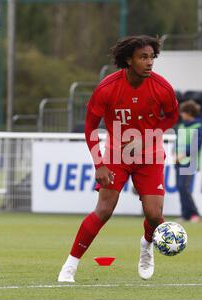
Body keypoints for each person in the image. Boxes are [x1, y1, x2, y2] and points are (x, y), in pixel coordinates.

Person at [57, 35, 179, 282]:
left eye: (152, 57)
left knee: (155, 216)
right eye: (143, 57)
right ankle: (70, 265)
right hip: (116, 154)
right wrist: (99, 164)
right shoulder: (107, 88)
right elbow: (90, 127)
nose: (149, 62)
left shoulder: (162, 87)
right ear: (128, 60)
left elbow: (172, 117)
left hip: (150, 155)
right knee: (104, 209)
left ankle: (146, 245)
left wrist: (147, 139)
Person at [173, 100, 202, 223]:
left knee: (183, 187)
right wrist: (174, 153)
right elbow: (178, 141)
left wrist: (183, 154)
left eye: (183, 112)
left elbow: (197, 144)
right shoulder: (181, 125)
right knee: (180, 188)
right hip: (178, 160)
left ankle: (194, 214)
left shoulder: (198, 126)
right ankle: (185, 214)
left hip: (189, 161)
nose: (181, 115)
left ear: (189, 113)